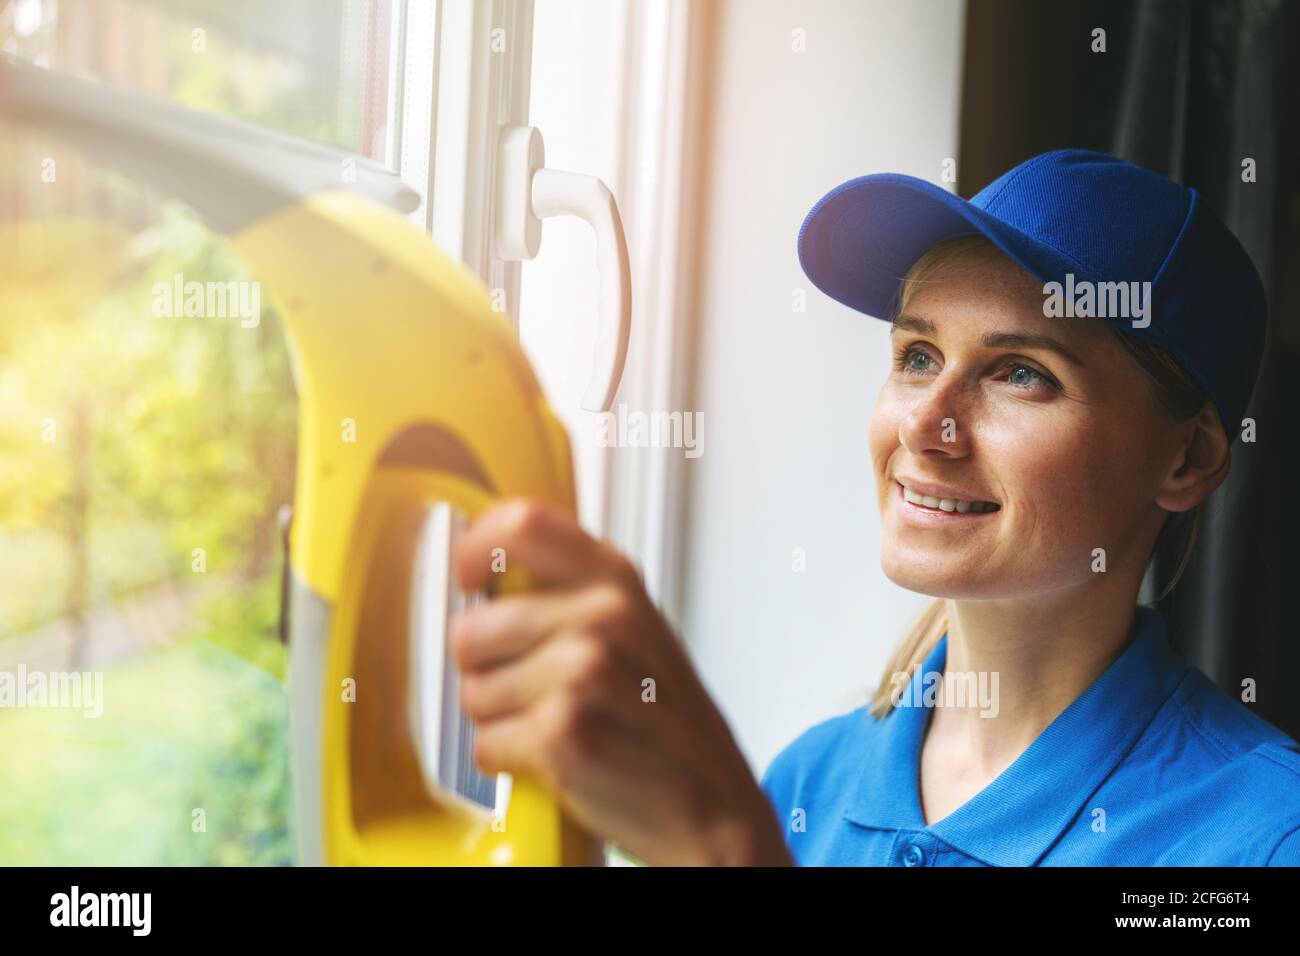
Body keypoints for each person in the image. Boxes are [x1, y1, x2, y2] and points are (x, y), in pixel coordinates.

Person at [449, 149, 1300, 866]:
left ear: (1186, 459)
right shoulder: (807, 783)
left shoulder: (1263, 836)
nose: (926, 425)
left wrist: (723, 848)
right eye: (918, 355)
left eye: (1021, 374)